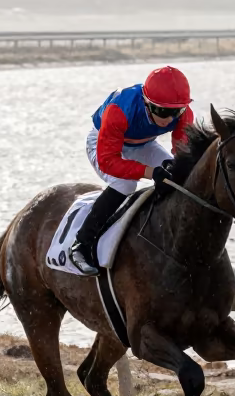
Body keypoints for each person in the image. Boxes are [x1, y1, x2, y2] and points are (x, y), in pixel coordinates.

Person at [68, 66, 194, 276]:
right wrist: (150, 172)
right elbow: (108, 161)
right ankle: (81, 244)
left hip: (143, 144)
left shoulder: (183, 113)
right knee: (125, 184)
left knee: (177, 175)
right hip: (103, 144)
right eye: (162, 111)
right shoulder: (120, 109)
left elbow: (183, 154)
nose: (169, 119)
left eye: (175, 112)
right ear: (146, 102)